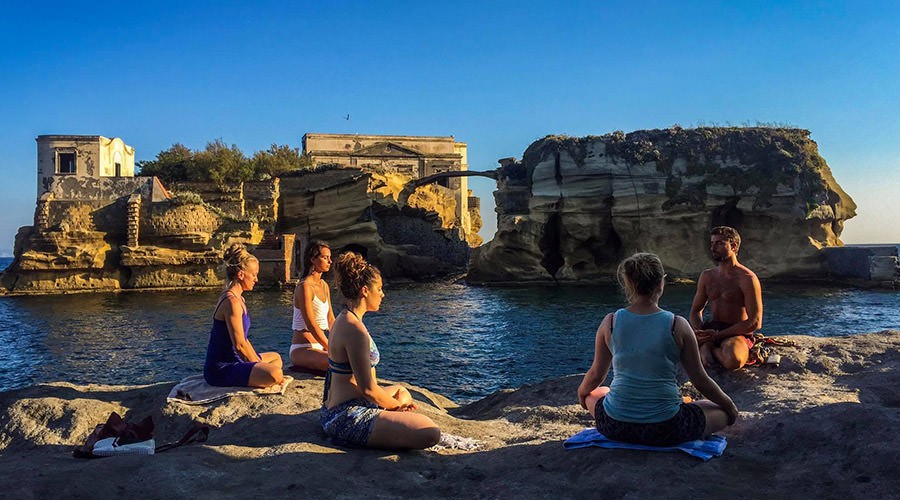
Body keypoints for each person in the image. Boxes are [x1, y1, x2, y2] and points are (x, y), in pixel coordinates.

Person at [577, 252, 738, 446]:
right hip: (667, 428)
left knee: (596, 393)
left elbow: (595, 374)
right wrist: (730, 407)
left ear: (627, 284)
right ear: (661, 283)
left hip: (615, 426)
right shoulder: (676, 324)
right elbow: (700, 379)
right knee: (717, 410)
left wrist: (582, 394)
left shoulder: (610, 322)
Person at [320, 251, 440, 449]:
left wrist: (396, 403)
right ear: (365, 291)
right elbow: (368, 389)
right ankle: (392, 418)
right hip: (346, 415)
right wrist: (398, 407)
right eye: (380, 289)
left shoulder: (345, 318)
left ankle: (393, 416)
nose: (383, 294)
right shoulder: (354, 330)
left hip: (340, 405)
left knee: (402, 390)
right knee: (430, 432)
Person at [204, 243, 284, 388]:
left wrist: (258, 365)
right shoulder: (231, 302)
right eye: (253, 275)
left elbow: (245, 341)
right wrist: (258, 365)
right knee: (275, 374)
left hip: (237, 360)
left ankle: (258, 372)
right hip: (222, 368)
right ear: (241, 275)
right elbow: (239, 345)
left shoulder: (238, 298)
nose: (256, 279)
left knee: (276, 358)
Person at [690, 226, 763, 370]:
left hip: (735, 332)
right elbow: (695, 311)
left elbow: (755, 322)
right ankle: (705, 347)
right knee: (667, 344)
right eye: (712, 243)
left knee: (733, 360)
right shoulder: (707, 276)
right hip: (710, 329)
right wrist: (699, 332)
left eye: (719, 243)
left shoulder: (747, 279)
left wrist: (716, 337)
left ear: (734, 246)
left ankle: (707, 350)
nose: (713, 248)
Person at [290, 240, 335, 372]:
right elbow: (311, 324)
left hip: (321, 348)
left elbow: (331, 320)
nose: (330, 261)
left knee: (354, 359)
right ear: (312, 259)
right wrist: (330, 348)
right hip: (302, 348)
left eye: (330, 258)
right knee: (341, 363)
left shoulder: (324, 285)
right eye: (325, 257)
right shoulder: (304, 287)